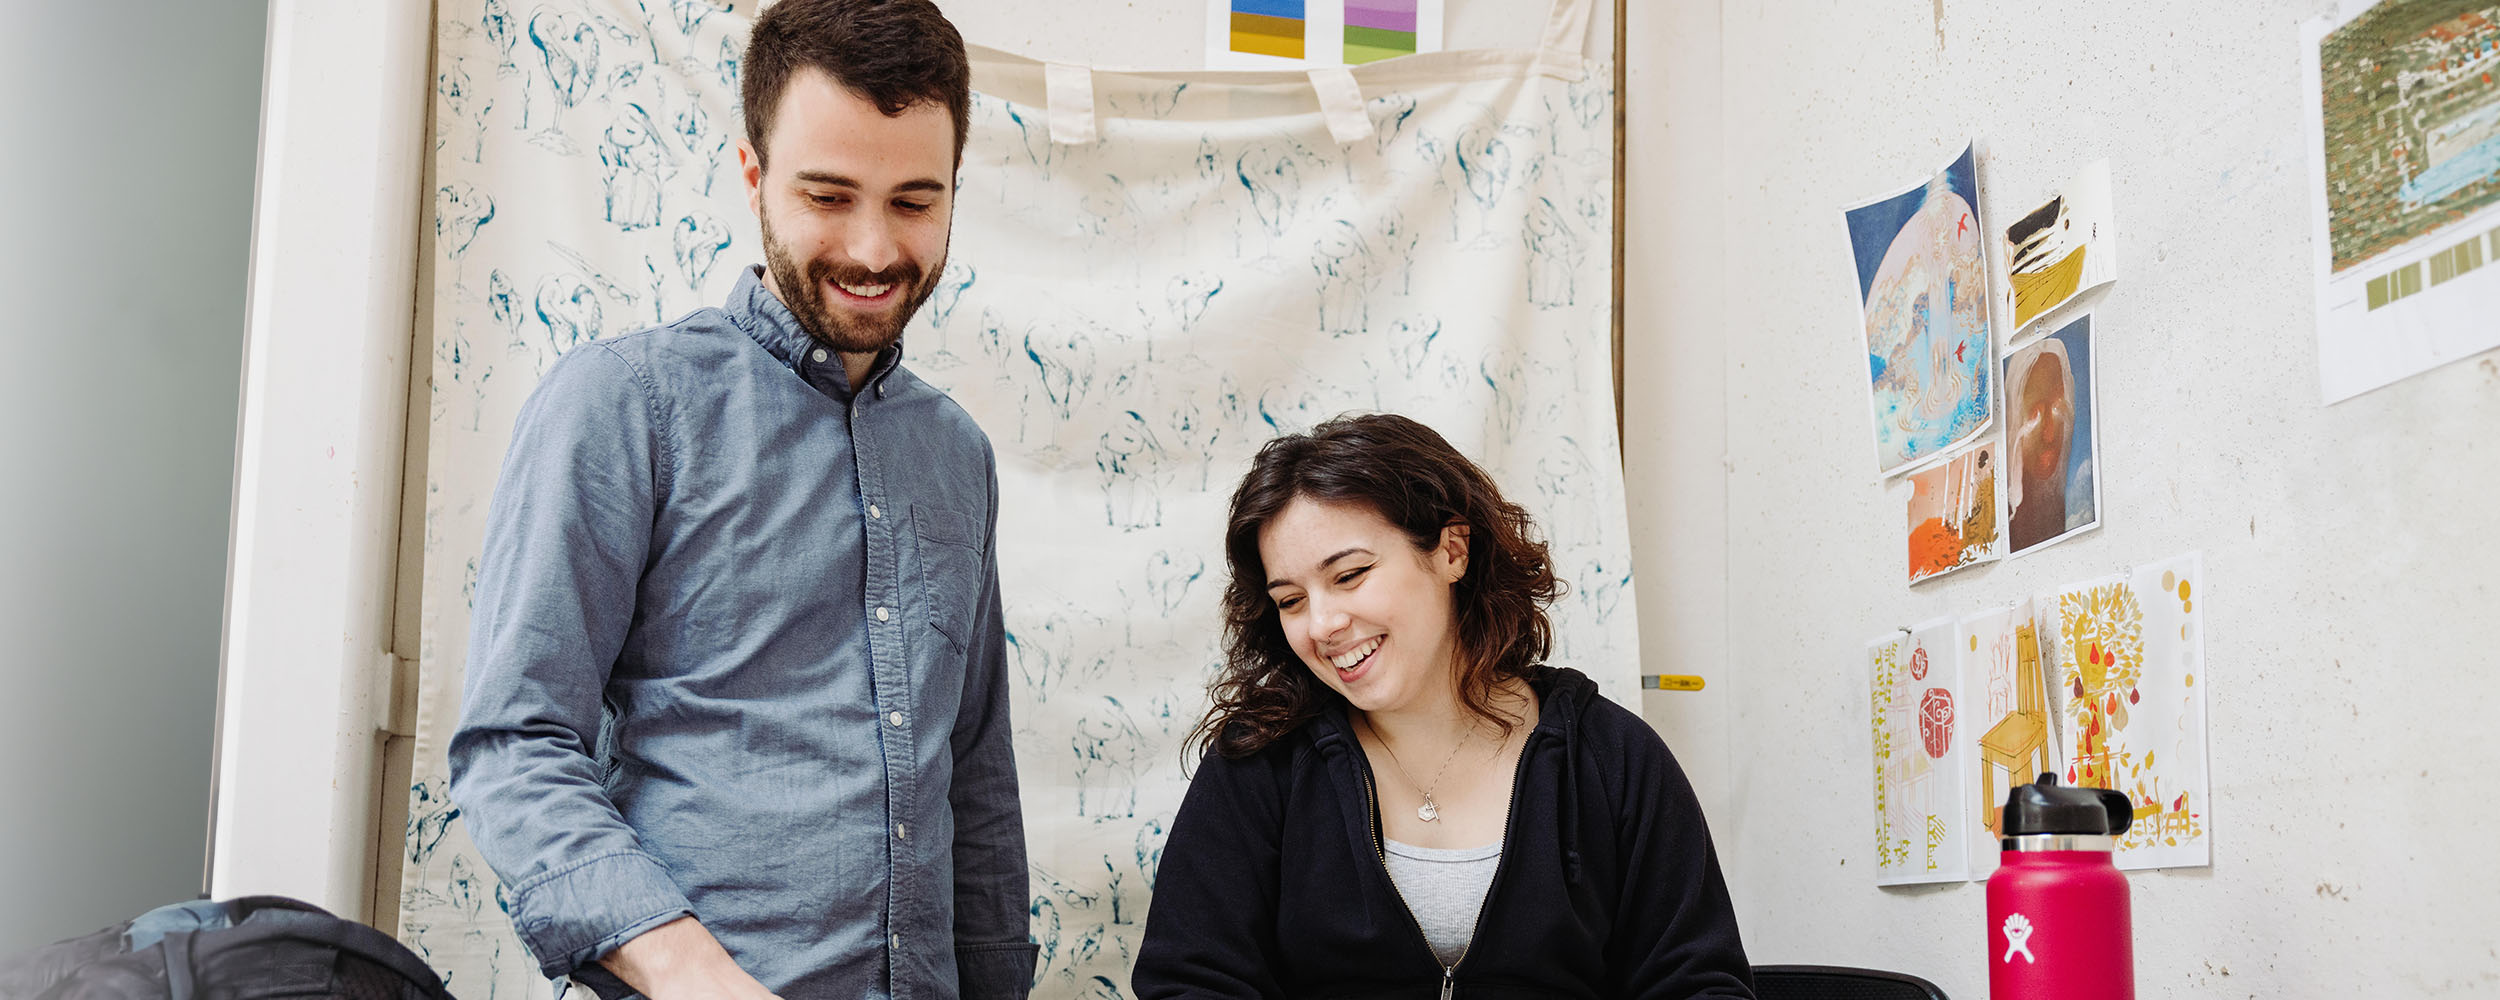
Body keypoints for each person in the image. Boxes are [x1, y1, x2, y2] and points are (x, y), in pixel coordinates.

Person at [447, 3, 1034, 998]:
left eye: (912, 201)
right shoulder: (621, 403)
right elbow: (516, 744)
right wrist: (699, 978)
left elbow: (973, 781)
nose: (872, 248)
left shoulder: (957, 455)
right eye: (828, 194)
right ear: (754, 174)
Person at [1133, 413, 1755, 1000]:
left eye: (1350, 575)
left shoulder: (1614, 758)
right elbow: (1188, 980)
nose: (1322, 624)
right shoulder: (1259, 765)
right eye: (1291, 600)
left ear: (1452, 550)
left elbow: (1698, 983)